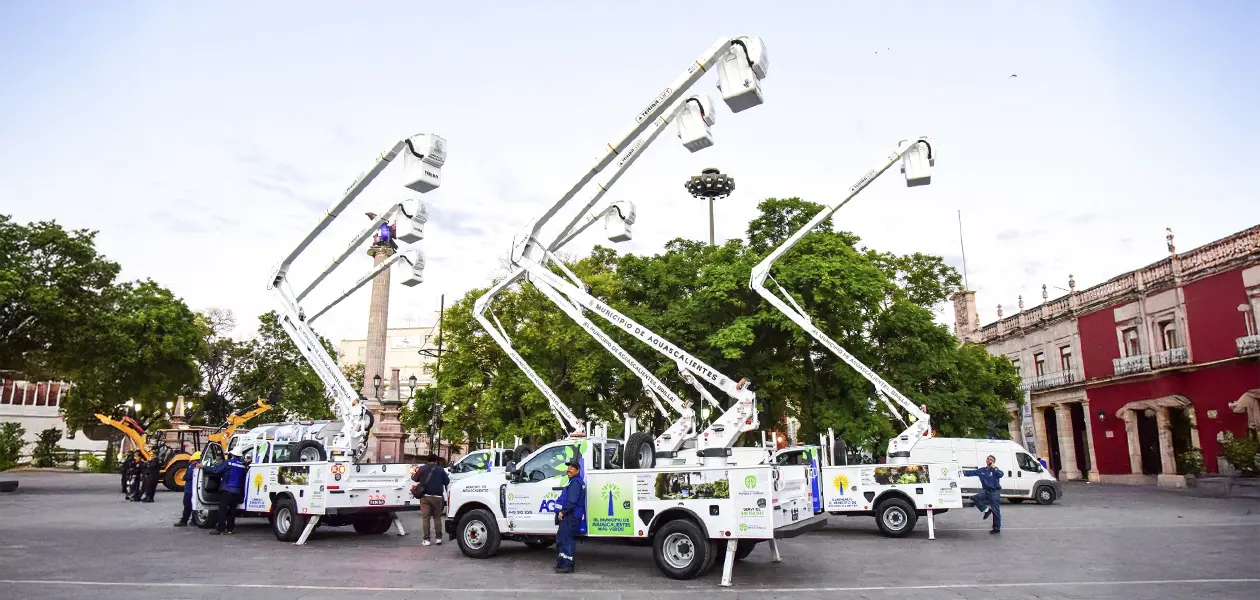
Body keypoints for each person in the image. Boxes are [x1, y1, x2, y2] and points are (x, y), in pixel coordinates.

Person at [201, 447, 248, 535]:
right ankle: (230, 529)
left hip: (227, 489)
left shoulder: (228, 463)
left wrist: (203, 467)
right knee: (232, 510)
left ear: (233, 454)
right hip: (237, 491)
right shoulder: (242, 465)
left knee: (222, 510)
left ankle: (220, 529)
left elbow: (216, 470)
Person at [554, 459, 586, 574]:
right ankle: (562, 562)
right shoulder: (573, 481)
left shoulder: (575, 483)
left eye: (572, 468)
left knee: (566, 540)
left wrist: (562, 512)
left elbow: (572, 501)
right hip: (569, 516)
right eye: (568, 467)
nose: (569, 469)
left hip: (569, 516)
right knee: (562, 539)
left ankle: (567, 565)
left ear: (578, 470)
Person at [412, 454, 450, 546]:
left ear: (427, 460)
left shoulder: (422, 468)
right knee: (437, 518)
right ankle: (438, 538)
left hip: (425, 497)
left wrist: (414, 475)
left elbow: (415, 478)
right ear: (436, 461)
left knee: (426, 518)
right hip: (438, 497)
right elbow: (447, 481)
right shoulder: (441, 470)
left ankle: (426, 540)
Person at [964, 454, 1004, 534]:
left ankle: (996, 529)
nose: (989, 460)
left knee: (996, 510)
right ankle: (986, 510)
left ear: (993, 462)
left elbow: (1001, 474)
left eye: (991, 460)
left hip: (995, 492)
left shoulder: (995, 470)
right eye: (988, 459)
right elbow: (971, 473)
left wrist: (995, 468)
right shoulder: (982, 470)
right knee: (975, 498)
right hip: (986, 492)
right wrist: (962, 472)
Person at [174, 451, 202, 527]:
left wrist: (184, 477)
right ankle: (194, 520)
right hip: (196, 489)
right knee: (194, 505)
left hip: (189, 489)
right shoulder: (200, 466)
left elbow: (187, 476)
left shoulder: (192, 466)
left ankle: (184, 520)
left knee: (187, 505)